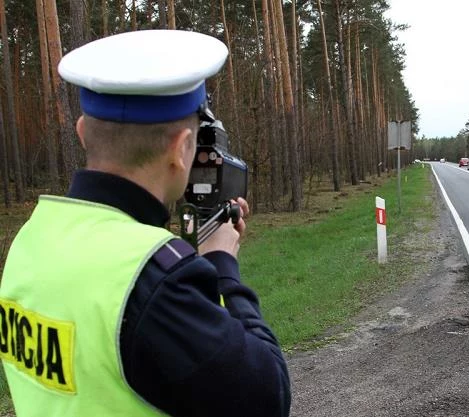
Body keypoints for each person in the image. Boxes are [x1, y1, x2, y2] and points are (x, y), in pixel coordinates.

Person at [0, 30, 290, 417]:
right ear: (180, 147)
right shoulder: (154, 280)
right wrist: (223, 266)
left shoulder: (32, 238)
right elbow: (267, 397)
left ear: (83, 133)